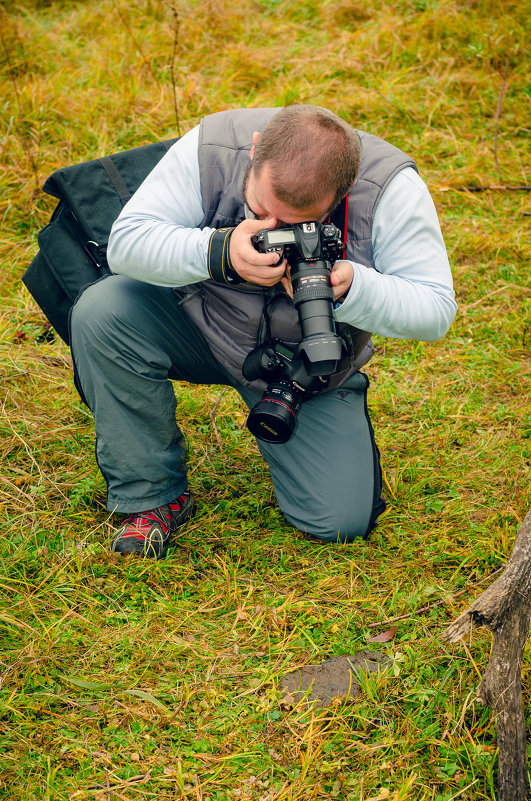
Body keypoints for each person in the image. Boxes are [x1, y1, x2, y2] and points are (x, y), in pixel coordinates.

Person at [70, 105, 457, 558]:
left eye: (297, 226)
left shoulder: (389, 186)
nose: (274, 232)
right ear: (253, 151)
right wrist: (220, 251)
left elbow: (436, 310)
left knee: (338, 523)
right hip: (202, 325)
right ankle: (152, 493)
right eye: (259, 211)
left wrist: (354, 289)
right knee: (105, 309)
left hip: (306, 366)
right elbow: (127, 244)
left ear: (343, 190)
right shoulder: (213, 146)